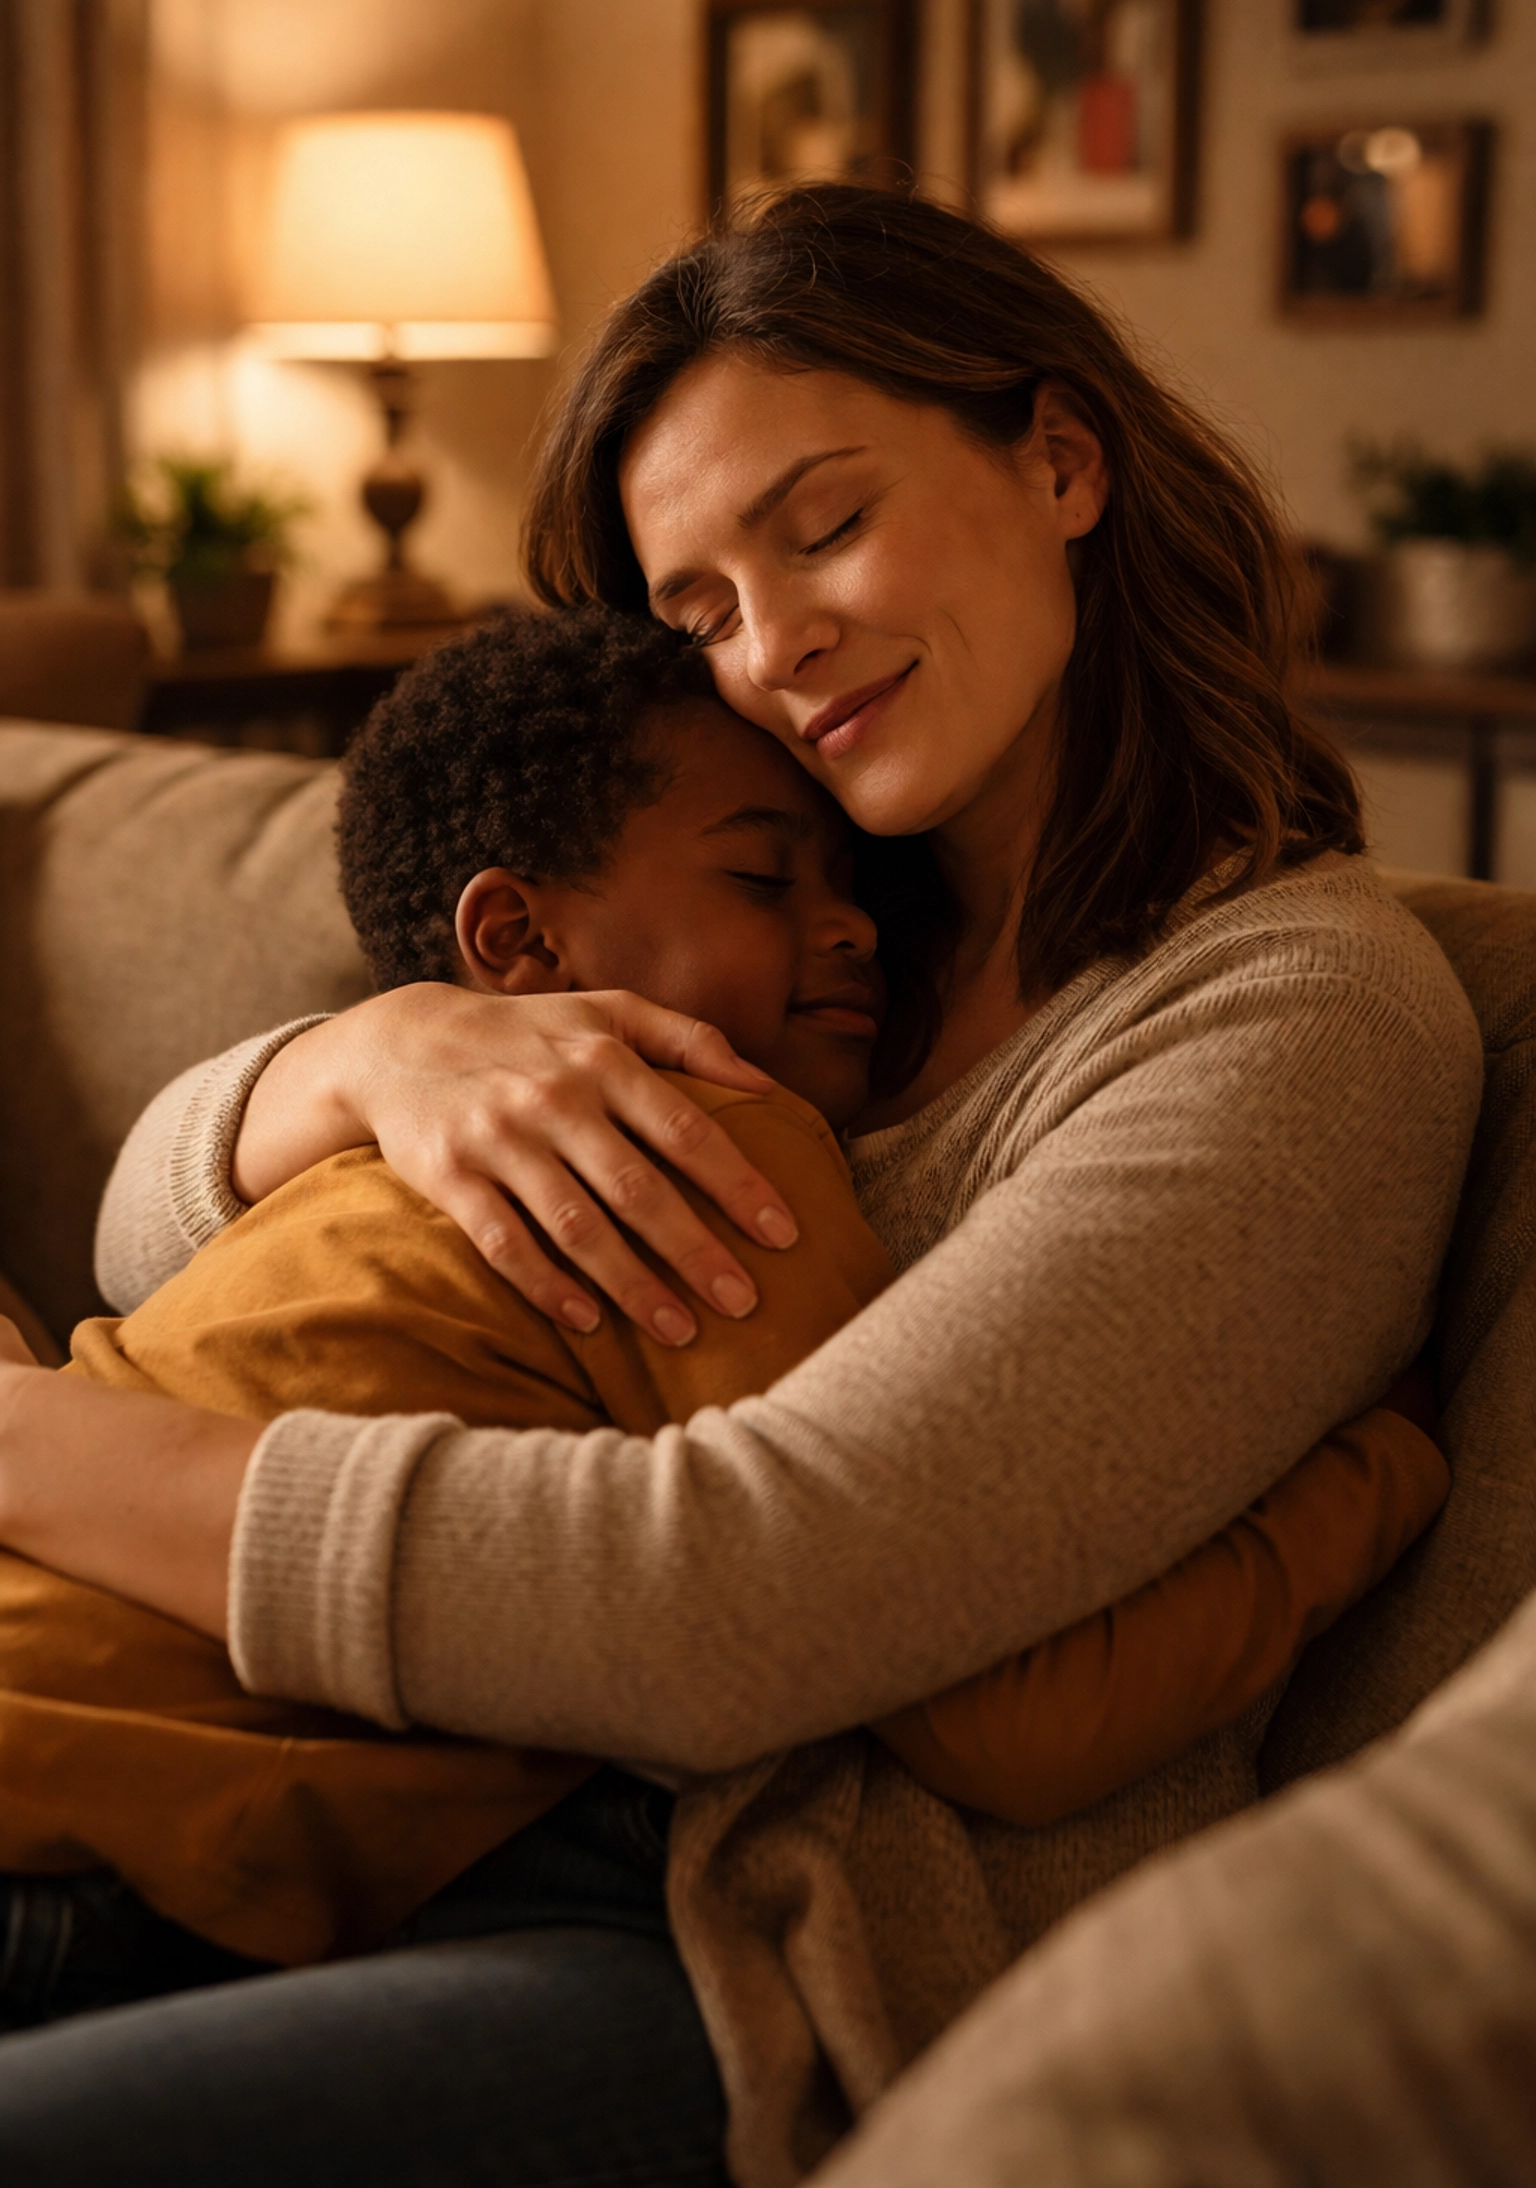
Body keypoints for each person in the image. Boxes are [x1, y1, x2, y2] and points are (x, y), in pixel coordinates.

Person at [0, 185, 1483, 2187]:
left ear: (1059, 461)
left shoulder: (1291, 1011)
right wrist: (365, 1057)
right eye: (697, 612)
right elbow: (187, 1253)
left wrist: (25, 1445)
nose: (774, 649)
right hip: (374, 1804)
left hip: (763, 1938)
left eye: (827, 524)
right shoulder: (761, 936)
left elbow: (736, 1597)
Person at [0, 609, 1444, 2002]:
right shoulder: (702, 1146)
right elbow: (1021, 1724)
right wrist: (1380, 1466)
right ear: (516, 943)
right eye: (763, 880)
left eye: (854, 887)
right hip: (90, 1837)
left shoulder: (370, 1168)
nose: (854, 929)